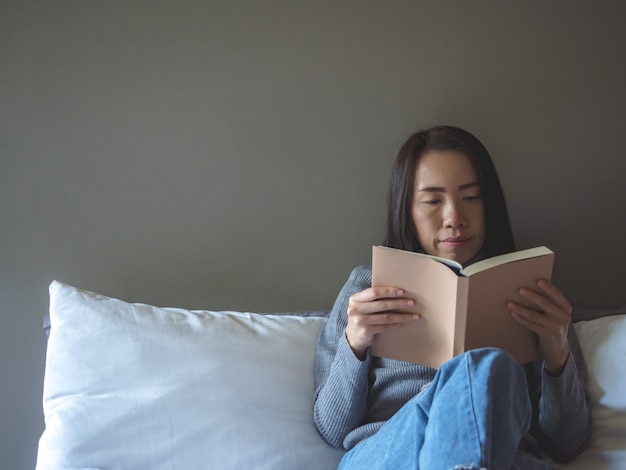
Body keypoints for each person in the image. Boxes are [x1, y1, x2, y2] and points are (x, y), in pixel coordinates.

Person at [314, 126, 591, 470]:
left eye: (471, 198)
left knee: (490, 369)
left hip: (504, 457)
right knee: (482, 367)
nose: (454, 219)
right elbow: (331, 428)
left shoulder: (534, 291)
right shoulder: (366, 287)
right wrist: (354, 345)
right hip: (390, 452)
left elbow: (567, 444)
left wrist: (557, 356)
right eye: (432, 201)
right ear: (407, 208)